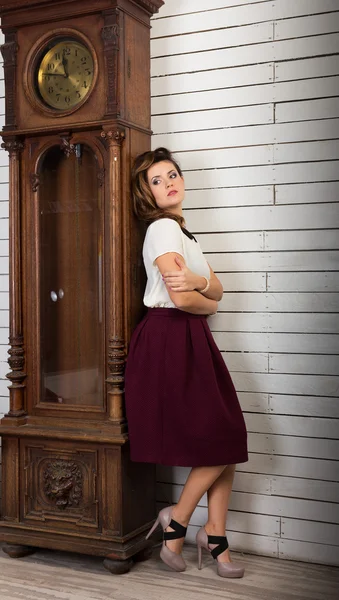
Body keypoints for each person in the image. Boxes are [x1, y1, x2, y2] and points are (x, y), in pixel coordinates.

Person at [124, 147, 248, 578]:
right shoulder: (161, 229)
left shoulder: (185, 234)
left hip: (189, 336)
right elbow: (186, 299)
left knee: (226, 436)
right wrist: (203, 293)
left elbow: (217, 290)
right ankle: (178, 523)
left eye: (171, 174)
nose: (168, 183)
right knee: (225, 435)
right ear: (146, 193)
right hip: (168, 338)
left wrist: (201, 285)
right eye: (156, 181)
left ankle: (211, 533)